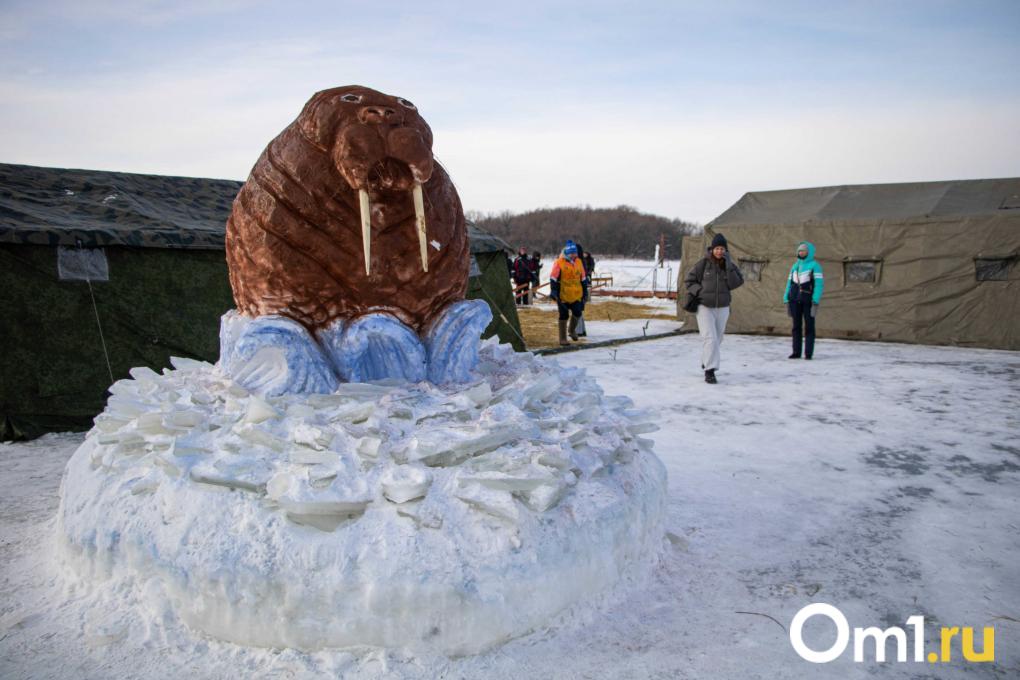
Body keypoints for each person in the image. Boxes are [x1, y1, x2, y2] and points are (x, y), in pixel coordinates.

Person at [684, 233, 744, 384]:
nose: (719, 251)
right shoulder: (703, 264)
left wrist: (729, 266)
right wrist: (700, 291)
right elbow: (689, 281)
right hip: (704, 306)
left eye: (722, 248)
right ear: (712, 249)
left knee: (718, 338)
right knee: (710, 338)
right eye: (717, 248)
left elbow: (736, 283)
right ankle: (710, 371)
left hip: (723, 306)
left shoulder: (729, 265)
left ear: (725, 250)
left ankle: (706, 360)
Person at [783, 241, 824, 360]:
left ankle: (808, 353)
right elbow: (789, 283)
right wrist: (786, 297)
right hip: (794, 300)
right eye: (799, 250)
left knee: (809, 327)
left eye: (804, 250)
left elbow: (819, 284)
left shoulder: (815, 266)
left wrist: (815, 299)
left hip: (808, 301)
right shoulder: (795, 266)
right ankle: (796, 352)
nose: (801, 252)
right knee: (796, 326)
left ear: (809, 252)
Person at [549, 240, 588, 346]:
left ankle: (571, 330)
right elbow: (553, 278)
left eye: (575, 253)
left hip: (576, 294)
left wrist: (585, 291)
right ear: (566, 253)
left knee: (578, 312)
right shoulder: (559, 262)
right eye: (571, 253)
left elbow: (583, 278)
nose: (573, 255)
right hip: (563, 295)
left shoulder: (579, 262)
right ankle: (562, 338)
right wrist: (553, 291)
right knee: (564, 315)